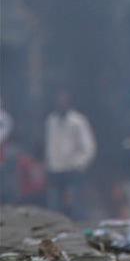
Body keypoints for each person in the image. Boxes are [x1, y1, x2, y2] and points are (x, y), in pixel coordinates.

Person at [44, 89, 97, 218]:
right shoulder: (51, 121)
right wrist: (48, 163)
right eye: (58, 101)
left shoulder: (78, 121)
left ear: (69, 103)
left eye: (64, 101)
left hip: (73, 169)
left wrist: (80, 164)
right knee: (56, 207)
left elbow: (89, 146)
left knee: (76, 205)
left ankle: (78, 231)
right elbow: (49, 143)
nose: (61, 104)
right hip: (55, 169)